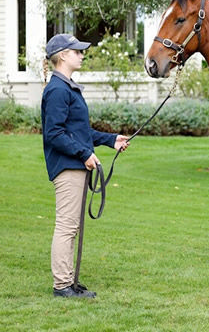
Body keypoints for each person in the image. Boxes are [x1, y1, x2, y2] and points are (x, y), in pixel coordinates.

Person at [41, 34, 130, 298]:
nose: (82, 55)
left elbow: (79, 131)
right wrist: (84, 154)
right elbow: (53, 133)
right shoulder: (57, 90)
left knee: (72, 226)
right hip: (68, 166)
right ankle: (62, 286)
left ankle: (68, 281)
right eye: (77, 51)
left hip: (74, 163)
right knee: (67, 226)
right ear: (63, 56)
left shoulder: (66, 87)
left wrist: (111, 140)